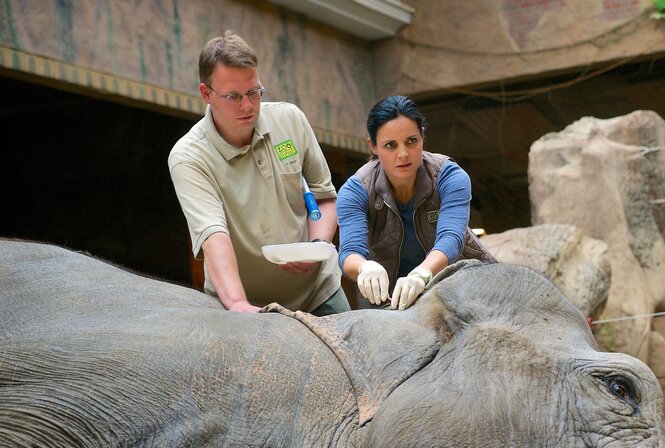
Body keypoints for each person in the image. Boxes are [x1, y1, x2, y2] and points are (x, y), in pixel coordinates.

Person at [168, 31, 349, 315]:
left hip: (319, 292)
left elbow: (325, 198)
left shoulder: (291, 120)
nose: (248, 105)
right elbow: (213, 236)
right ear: (206, 93)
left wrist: (317, 246)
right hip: (247, 306)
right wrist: (239, 304)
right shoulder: (189, 157)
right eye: (233, 96)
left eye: (254, 92)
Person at [336, 95, 494, 310]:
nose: (403, 154)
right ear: (372, 146)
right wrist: (364, 267)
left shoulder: (449, 176)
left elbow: (452, 237)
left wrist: (422, 274)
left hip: (465, 288)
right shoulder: (355, 191)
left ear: (422, 137)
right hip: (393, 301)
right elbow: (349, 252)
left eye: (411, 141)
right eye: (390, 145)